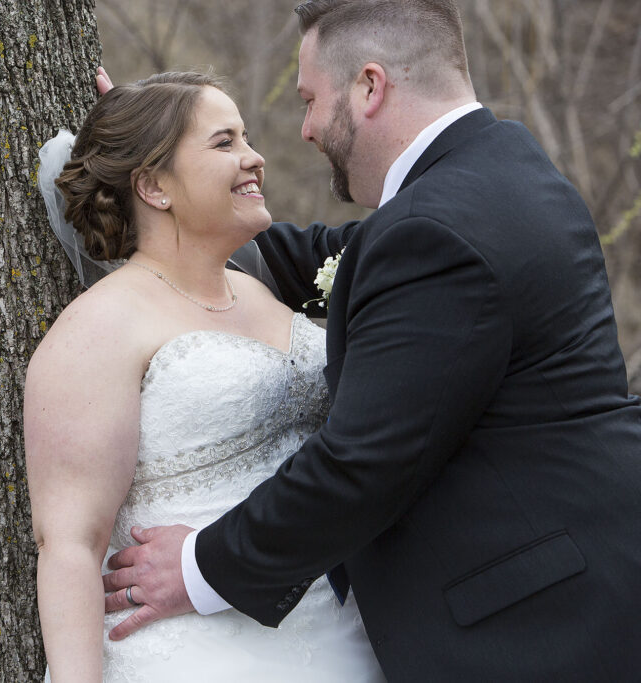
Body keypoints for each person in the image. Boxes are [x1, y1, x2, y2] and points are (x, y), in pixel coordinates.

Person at [100, 1, 641, 680]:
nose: (304, 129)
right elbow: (332, 255)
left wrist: (198, 566)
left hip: (537, 628)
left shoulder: (432, 232)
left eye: (311, 100)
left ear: (370, 87)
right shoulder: (502, 172)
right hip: (589, 576)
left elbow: (362, 463)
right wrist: (168, 176)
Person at [24, 72, 385, 681]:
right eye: (224, 143)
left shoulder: (258, 290)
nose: (255, 158)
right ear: (153, 187)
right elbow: (69, 546)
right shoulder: (100, 327)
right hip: (192, 650)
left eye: (245, 137)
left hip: (333, 629)